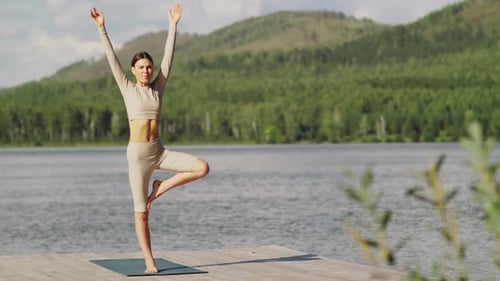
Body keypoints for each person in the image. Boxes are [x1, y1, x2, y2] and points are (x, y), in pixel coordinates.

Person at [90, 2, 209, 274]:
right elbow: (111, 60)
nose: (146, 70)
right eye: (141, 67)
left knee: (202, 167)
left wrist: (173, 26)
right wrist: (102, 29)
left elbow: (169, 60)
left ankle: (160, 188)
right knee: (141, 212)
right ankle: (149, 261)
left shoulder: (158, 89)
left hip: (159, 151)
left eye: (148, 67)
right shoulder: (128, 88)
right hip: (138, 157)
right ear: (133, 70)